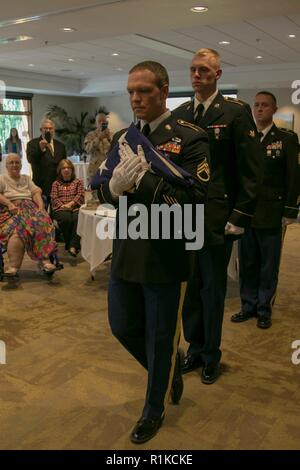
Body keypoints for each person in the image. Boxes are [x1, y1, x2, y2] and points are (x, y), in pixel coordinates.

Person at [97, 61, 210, 444]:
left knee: (161, 337)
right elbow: (103, 190)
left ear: (163, 90)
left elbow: (195, 200)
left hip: (167, 253)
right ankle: (169, 369)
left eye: (144, 91)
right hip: (128, 249)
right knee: (123, 325)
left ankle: (153, 409)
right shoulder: (123, 138)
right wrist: (113, 188)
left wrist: (144, 181)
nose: (135, 98)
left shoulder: (190, 137)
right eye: (131, 90)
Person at [173, 48, 263, 383]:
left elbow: (251, 171)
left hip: (218, 216)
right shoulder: (181, 112)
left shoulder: (235, 112)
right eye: (193, 70)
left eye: (204, 71)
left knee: (212, 288)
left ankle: (211, 354)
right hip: (185, 216)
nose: (197, 76)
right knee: (190, 286)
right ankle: (195, 348)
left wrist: (239, 216)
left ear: (218, 75)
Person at [231, 91, 300, 329]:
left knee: (268, 265)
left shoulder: (286, 138)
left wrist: (290, 210)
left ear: (274, 109)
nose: (260, 109)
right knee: (247, 262)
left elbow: (294, 176)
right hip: (246, 212)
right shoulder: (244, 138)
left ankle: (263, 308)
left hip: (272, 211)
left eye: (265, 106)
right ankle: (247, 306)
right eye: (257, 105)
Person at [0, 153, 57, 277]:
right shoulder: (2, 178)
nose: (14, 165)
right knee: (17, 231)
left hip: (29, 208)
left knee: (42, 224)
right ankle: (13, 267)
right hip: (11, 210)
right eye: (11, 163)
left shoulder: (26, 178)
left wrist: (41, 208)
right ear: (6, 166)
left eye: (17, 162)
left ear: (21, 165)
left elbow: (36, 193)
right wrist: (9, 204)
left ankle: (45, 261)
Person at [26, 119, 66, 204]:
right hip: (41, 184)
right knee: (41, 212)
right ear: (41, 130)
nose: (48, 130)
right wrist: (40, 149)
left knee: (57, 211)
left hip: (58, 184)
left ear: (54, 130)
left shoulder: (61, 145)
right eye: (45, 128)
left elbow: (64, 164)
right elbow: (30, 159)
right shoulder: (32, 143)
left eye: (50, 128)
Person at [50, 159, 85, 257]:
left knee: (77, 219)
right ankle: (72, 245)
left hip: (75, 208)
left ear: (72, 170)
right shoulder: (55, 184)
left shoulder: (78, 182)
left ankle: (72, 246)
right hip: (60, 208)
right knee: (66, 219)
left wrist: (71, 204)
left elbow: (80, 195)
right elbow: (54, 197)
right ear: (60, 171)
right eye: (63, 168)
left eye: (68, 168)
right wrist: (63, 206)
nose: (66, 170)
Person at [84, 113, 111, 182]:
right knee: (95, 191)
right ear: (96, 123)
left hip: (109, 168)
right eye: (99, 121)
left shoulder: (112, 135)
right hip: (95, 169)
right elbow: (87, 149)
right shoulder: (90, 135)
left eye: (104, 121)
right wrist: (98, 138)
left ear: (107, 123)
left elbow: (117, 149)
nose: (102, 123)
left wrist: (109, 139)